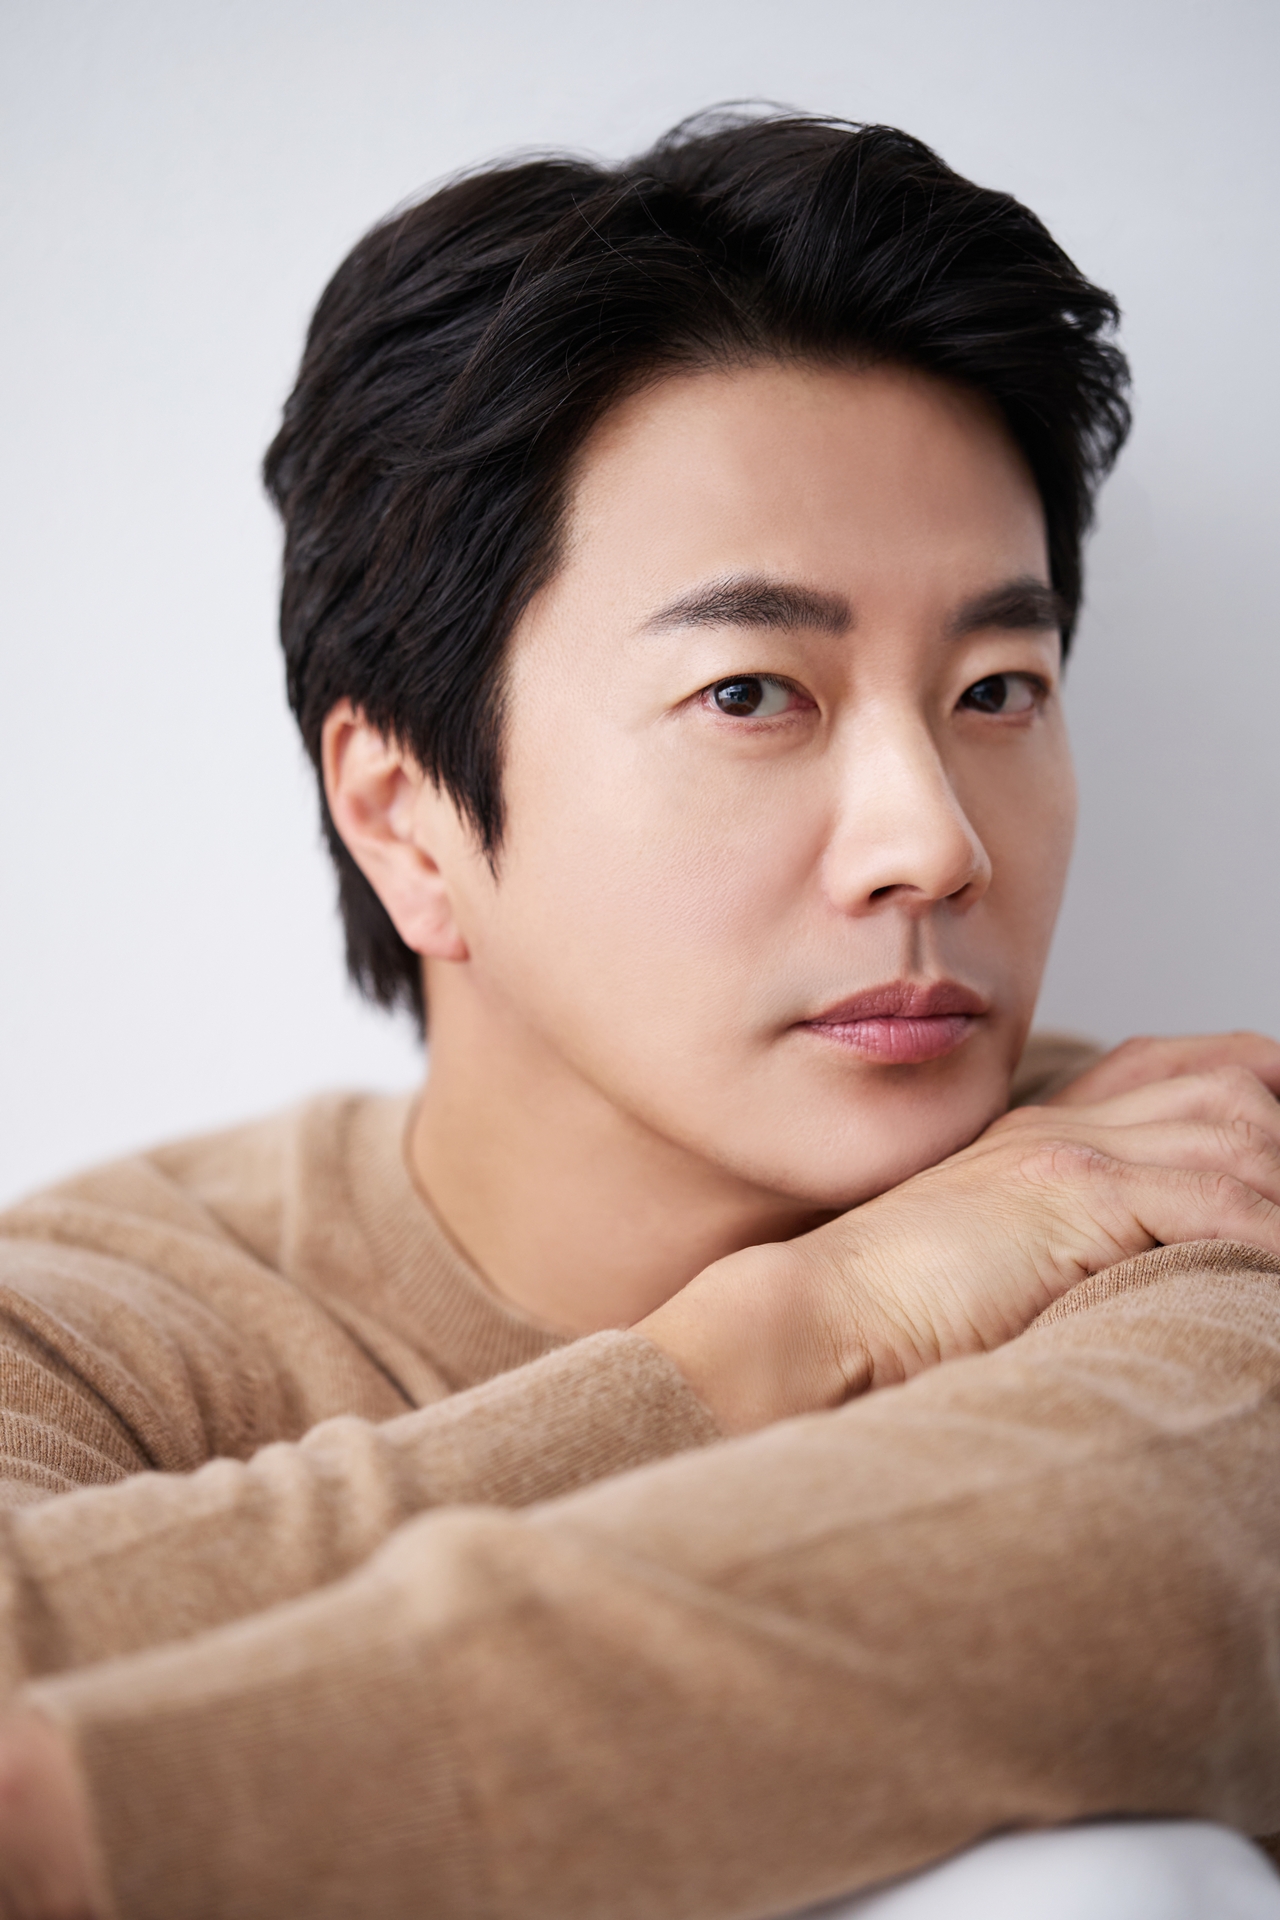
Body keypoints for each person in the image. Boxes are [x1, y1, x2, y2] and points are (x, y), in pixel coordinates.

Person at [0, 110, 1279, 1919]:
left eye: (1000, 686)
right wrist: (794, 1328)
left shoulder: (1188, 1178)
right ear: (404, 816)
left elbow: (1142, 1563)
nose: (935, 842)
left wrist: (115, 1823)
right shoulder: (95, 1326)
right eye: (753, 691)